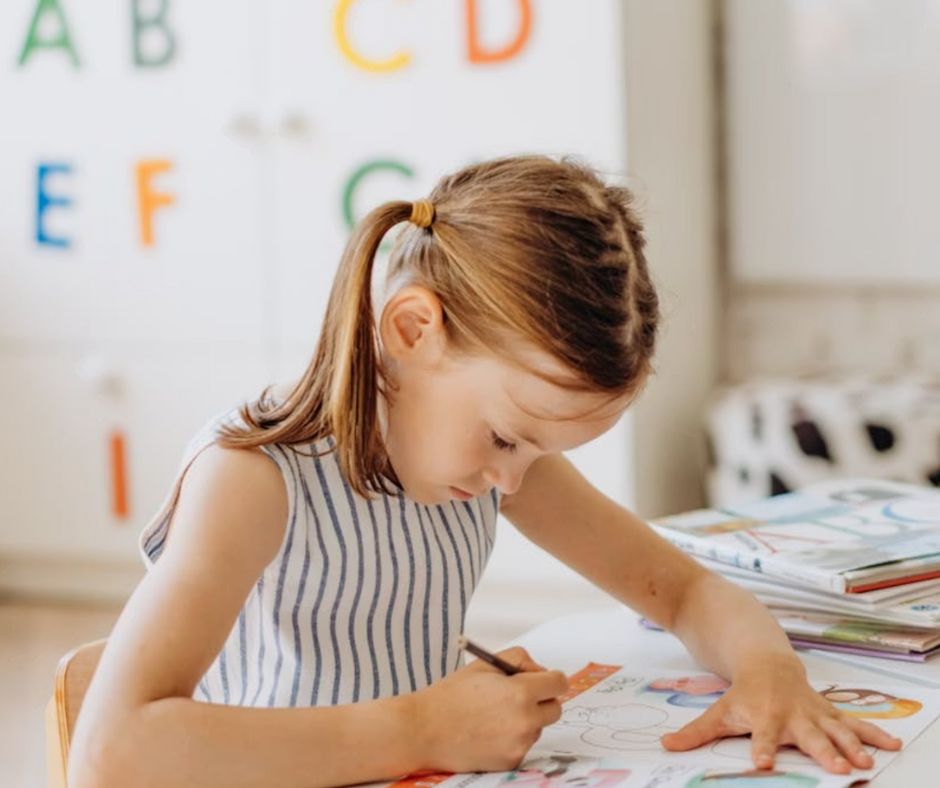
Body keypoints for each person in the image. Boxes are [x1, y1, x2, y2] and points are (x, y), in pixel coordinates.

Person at [68, 155, 901, 788]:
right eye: (507, 437)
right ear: (411, 330)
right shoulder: (252, 480)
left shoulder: (490, 467)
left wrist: (769, 673)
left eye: (537, 453)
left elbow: (681, 591)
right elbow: (111, 753)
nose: (513, 481)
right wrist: (424, 729)